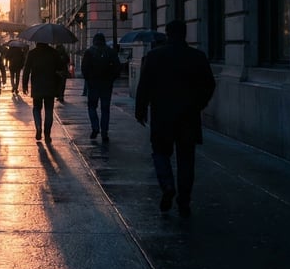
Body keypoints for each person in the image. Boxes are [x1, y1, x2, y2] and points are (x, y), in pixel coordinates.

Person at [135, 20, 216, 217]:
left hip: (162, 115)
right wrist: (198, 104)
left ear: (168, 34)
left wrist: (141, 109)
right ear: (185, 34)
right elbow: (209, 84)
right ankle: (184, 200)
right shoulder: (197, 56)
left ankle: (167, 185)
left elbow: (144, 85)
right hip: (188, 115)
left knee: (160, 153)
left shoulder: (154, 56)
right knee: (186, 158)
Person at [22, 41, 67, 142]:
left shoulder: (32, 53)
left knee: (37, 108)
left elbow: (26, 70)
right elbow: (61, 67)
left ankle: (38, 126)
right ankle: (47, 134)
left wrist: (24, 85)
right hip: (50, 85)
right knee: (49, 110)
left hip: (37, 86)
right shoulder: (53, 53)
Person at [81, 33, 121, 142]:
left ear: (94, 41)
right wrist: (111, 79)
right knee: (105, 109)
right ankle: (104, 132)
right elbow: (117, 68)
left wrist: (88, 80)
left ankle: (95, 127)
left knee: (92, 107)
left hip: (93, 85)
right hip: (106, 85)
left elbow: (84, 68)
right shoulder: (110, 52)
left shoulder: (89, 52)